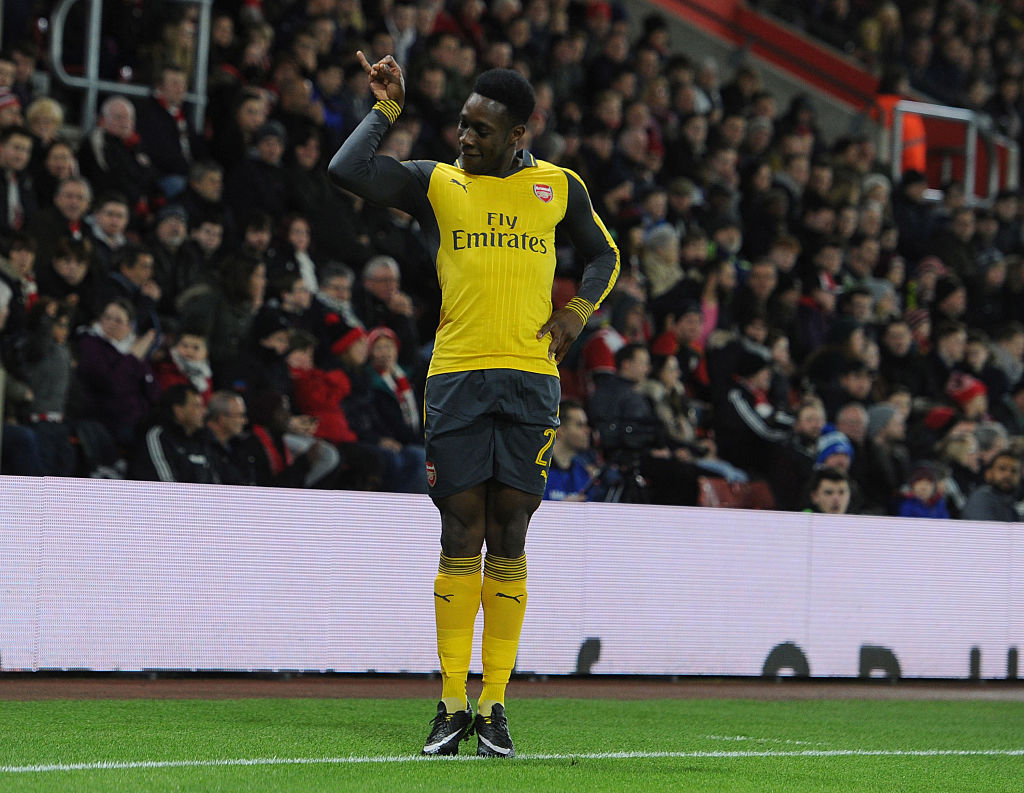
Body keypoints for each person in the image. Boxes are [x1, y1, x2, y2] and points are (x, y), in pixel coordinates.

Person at [329, 55, 618, 757]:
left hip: (530, 380)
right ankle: (450, 701)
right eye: (462, 123)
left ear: (521, 132)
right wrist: (387, 110)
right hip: (456, 377)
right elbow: (347, 169)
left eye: (483, 130)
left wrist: (577, 312)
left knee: (511, 530)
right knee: (461, 531)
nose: (465, 137)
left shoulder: (559, 187)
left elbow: (605, 255)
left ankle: (494, 706)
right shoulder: (437, 181)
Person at [129, 383, 219, 483]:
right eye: (197, 406)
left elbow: (214, 484)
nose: (204, 412)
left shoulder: (201, 440)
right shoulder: (158, 437)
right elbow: (167, 487)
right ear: (178, 411)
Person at [543, 399, 601, 501]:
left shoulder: (584, 473)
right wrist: (562, 509)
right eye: (579, 425)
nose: (587, 431)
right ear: (560, 430)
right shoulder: (538, 471)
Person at [960, 450, 1021, 522]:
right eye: (1002, 469)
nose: (1008, 474)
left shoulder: (1010, 502)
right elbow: (985, 531)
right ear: (988, 473)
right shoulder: (981, 498)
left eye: (1014, 471)